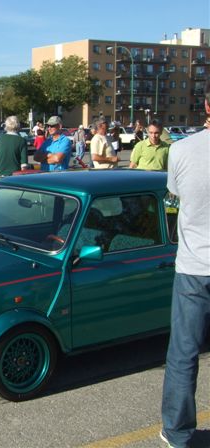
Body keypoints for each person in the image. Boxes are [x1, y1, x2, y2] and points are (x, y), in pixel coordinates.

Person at [160, 80, 210, 448]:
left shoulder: (180, 150)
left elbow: (175, 196)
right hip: (193, 265)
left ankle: (178, 432)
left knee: (184, 353)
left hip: (194, 267)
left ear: (206, 107)